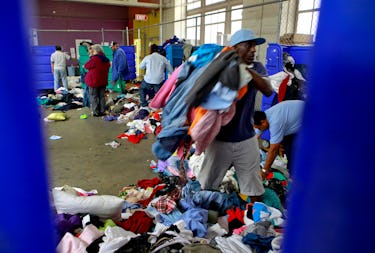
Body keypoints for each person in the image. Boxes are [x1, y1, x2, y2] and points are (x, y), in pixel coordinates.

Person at [197, 29, 274, 203]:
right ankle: (206, 217)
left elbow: (268, 90)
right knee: (207, 185)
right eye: (249, 45)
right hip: (219, 140)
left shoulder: (257, 68)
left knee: (255, 187)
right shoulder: (220, 68)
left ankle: (256, 217)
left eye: (255, 46)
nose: (254, 50)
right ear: (235, 48)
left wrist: (244, 69)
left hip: (246, 138)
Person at [253, 100, 305, 177]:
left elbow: (273, 150)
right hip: (295, 117)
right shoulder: (264, 116)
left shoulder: (275, 122)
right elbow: (253, 138)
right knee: (287, 148)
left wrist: (264, 171)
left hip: (309, 117)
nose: (259, 130)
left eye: (259, 128)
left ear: (263, 122)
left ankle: (297, 176)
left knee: (295, 154)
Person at [84, 44, 110, 117]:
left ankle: (96, 112)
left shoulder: (94, 59)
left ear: (95, 50)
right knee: (102, 96)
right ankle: (102, 111)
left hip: (93, 81)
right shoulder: (106, 59)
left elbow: (86, 66)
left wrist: (91, 56)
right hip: (103, 81)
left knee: (93, 96)